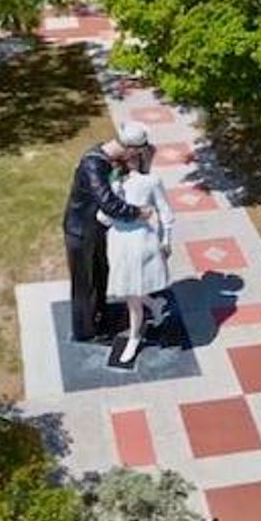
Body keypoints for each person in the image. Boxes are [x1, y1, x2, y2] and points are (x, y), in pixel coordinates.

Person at [62, 123, 154, 342]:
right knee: (84, 284)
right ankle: (84, 331)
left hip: (95, 229)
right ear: (130, 150)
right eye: (137, 153)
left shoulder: (105, 156)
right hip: (80, 231)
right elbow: (109, 203)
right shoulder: (93, 165)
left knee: (101, 273)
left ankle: (99, 314)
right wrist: (138, 212)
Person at [98, 143, 174, 363]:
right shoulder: (115, 184)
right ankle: (154, 304)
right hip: (121, 242)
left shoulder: (150, 182)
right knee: (128, 288)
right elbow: (104, 217)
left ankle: (134, 337)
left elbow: (165, 213)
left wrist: (166, 239)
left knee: (132, 296)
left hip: (138, 242)